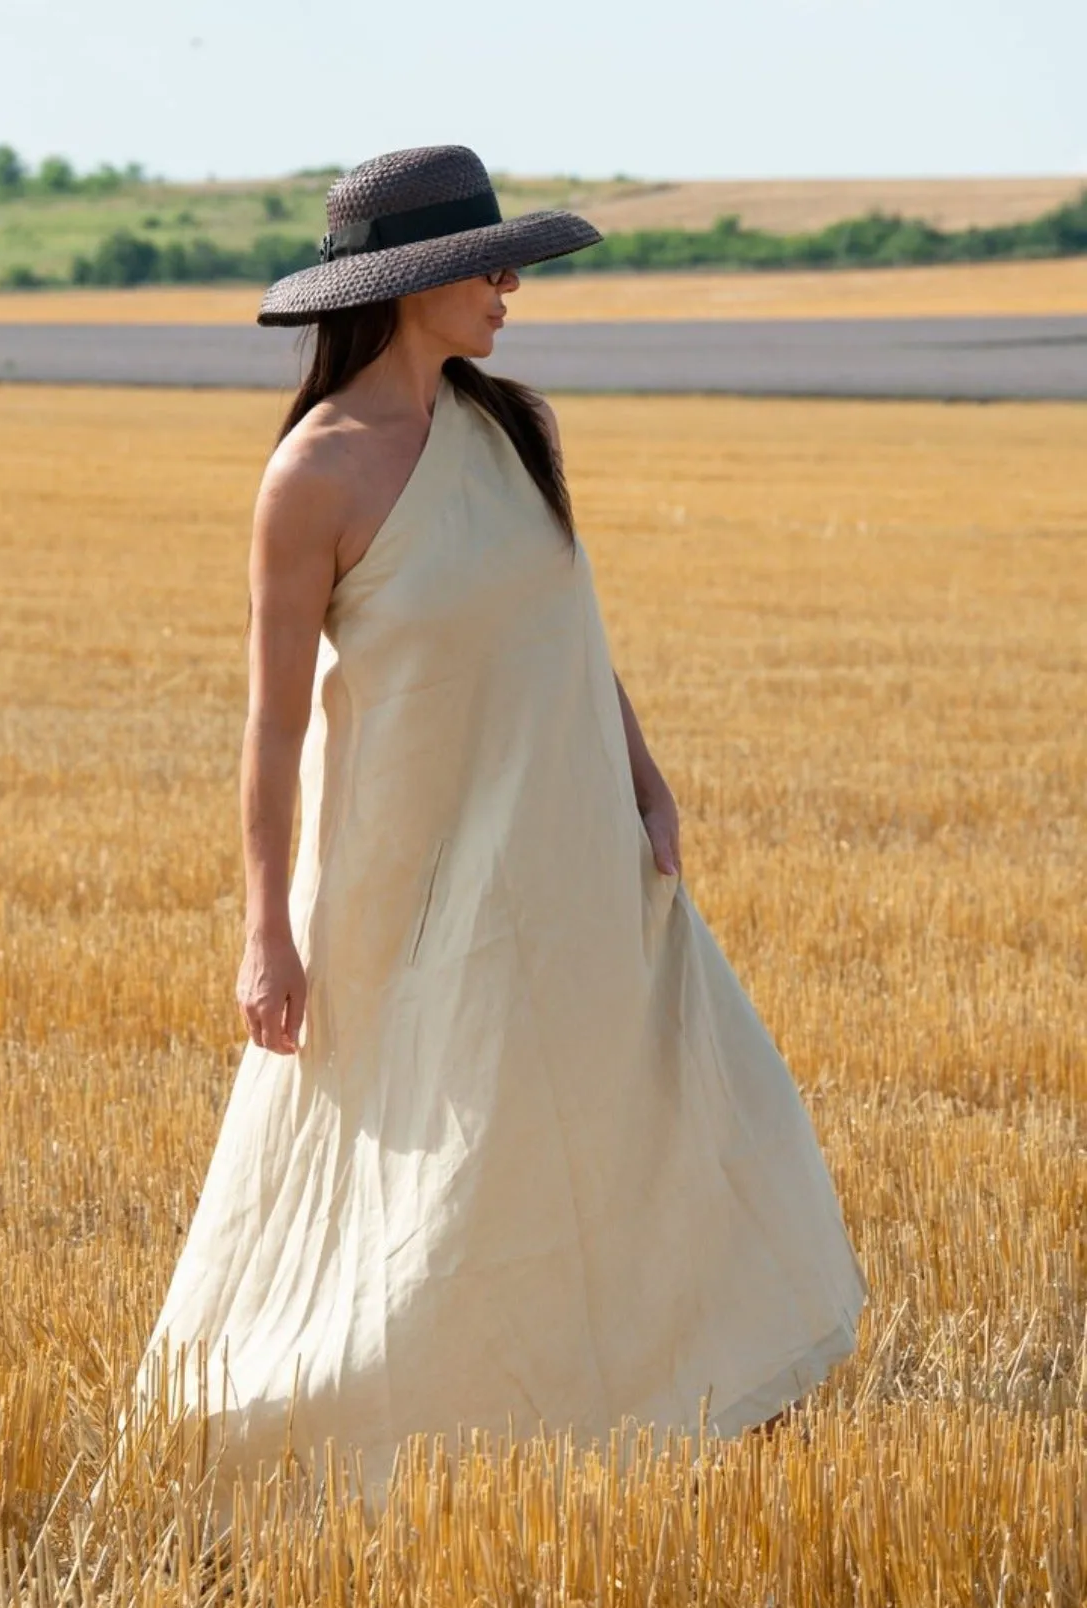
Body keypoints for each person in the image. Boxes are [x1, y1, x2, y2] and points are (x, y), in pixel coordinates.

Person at [100, 144, 869, 1530]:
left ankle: (667, 1399)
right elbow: (273, 726)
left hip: (571, 851)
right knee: (448, 1185)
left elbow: (568, 625)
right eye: (488, 262)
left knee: (689, 1113)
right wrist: (264, 927)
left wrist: (645, 776)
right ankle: (363, 1447)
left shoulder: (516, 425)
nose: (512, 283)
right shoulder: (311, 477)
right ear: (404, 286)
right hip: (409, 886)